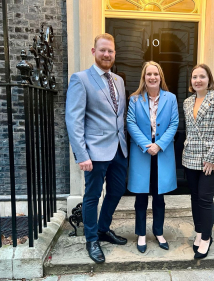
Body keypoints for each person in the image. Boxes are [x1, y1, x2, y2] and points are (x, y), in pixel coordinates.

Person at [65, 33, 128, 264]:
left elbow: (118, 115)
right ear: (94, 51)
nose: (107, 54)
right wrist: (82, 154)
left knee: (117, 190)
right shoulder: (80, 79)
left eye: (110, 51)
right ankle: (91, 239)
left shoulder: (119, 80)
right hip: (94, 152)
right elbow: (74, 120)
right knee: (92, 196)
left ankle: (103, 229)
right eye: (102, 50)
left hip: (119, 149)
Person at [127, 61, 179, 253]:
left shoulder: (171, 98)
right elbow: (130, 123)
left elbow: (174, 123)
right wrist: (146, 145)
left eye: (155, 74)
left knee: (159, 197)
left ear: (160, 76)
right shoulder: (134, 99)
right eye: (148, 74)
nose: (152, 77)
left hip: (162, 152)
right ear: (144, 77)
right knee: (141, 197)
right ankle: (141, 234)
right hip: (142, 152)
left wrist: (159, 145)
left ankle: (158, 232)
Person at [182, 64, 214, 259]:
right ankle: (199, 231)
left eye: (202, 76)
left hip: (213, 160)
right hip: (191, 157)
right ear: (191, 81)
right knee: (194, 197)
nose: (198, 80)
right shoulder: (187, 102)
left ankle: (207, 238)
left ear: (209, 79)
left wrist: (211, 157)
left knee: (204, 198)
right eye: (194, 77)